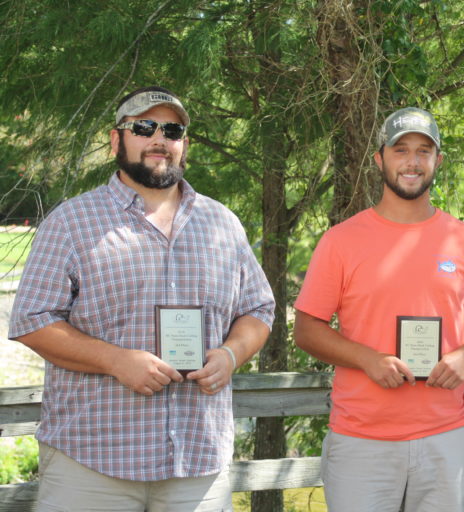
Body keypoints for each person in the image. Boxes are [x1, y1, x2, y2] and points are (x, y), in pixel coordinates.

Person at [9, 86, 275, 512]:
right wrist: (115, 360)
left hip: (197, 462)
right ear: (118, 139)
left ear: (183, 144)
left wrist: (230, 353)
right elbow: (32, 319)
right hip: (93, 463)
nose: (159, 139)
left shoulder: (222, 223)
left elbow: (258, 309)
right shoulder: (71, 222)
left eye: (172, 129)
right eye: (144, 127)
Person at [293, 107, 464, 512]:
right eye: (400, 150)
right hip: (362, 438)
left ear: (437, 161)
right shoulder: (342, 241)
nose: (412, 162)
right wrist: (366, 359)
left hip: (446, 434)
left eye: (424, 151)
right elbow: (306, 328)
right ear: (380, 159)